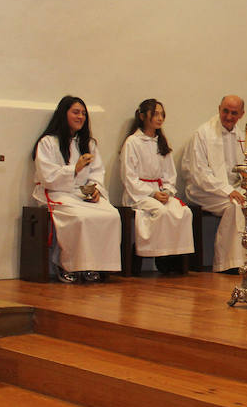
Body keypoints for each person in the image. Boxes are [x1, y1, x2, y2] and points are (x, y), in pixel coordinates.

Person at [181, 95, 247, 272]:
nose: (228, 116)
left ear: (241, 114)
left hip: (235, 188)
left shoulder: (242, 137)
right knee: (236, 206)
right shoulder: (203, 134)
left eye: (234, 113)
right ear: (219, 109)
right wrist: (226, 190)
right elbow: (199, 173)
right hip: (205, 190)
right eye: (225, 111)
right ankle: (231, 263)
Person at [31, 96, 121, 282]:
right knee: (80, 218)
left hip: (81, 194)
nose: (81, 116)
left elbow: (97, 172)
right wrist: (75, 168)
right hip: (57, 192)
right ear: (63, 114)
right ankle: (67, 264)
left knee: (111, 215)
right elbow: (47, 176)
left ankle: (94, 265)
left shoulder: (89, 143)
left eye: (83, 113)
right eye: (76, 112)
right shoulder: (48, 142)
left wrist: (95, 190)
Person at [120, 99, 195, 273]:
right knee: (160, 212)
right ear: (142, 116)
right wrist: (153, 193)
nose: (159, 118)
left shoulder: (160, 142)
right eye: (155, 114)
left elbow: (170, 174)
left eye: (162, 114)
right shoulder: (132, 142)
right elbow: (128, 176)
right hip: (139, 194)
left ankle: (173, 257)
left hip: (161, 192)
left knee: (182, 211)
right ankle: (151, 254)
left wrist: (167, 192)